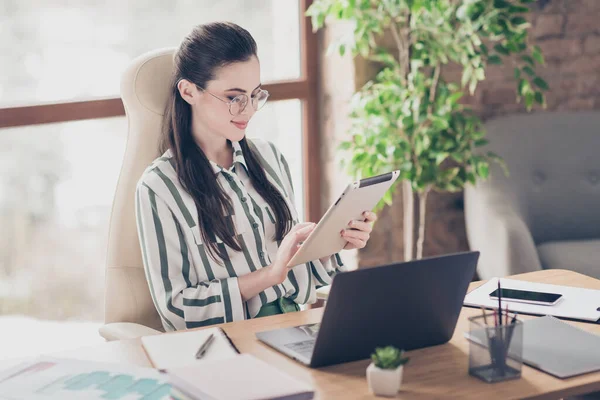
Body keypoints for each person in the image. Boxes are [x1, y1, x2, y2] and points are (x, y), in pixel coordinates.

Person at [135, 22, 377, 332]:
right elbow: (177, 310)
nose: (248, 111)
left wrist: (333, 243)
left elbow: (297, 274)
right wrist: (269, 275)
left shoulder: (269, 158)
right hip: (224, 344)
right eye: (234, 97)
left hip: (295, 325)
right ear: (189, 91)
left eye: (254, 95)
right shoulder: (159, 188)